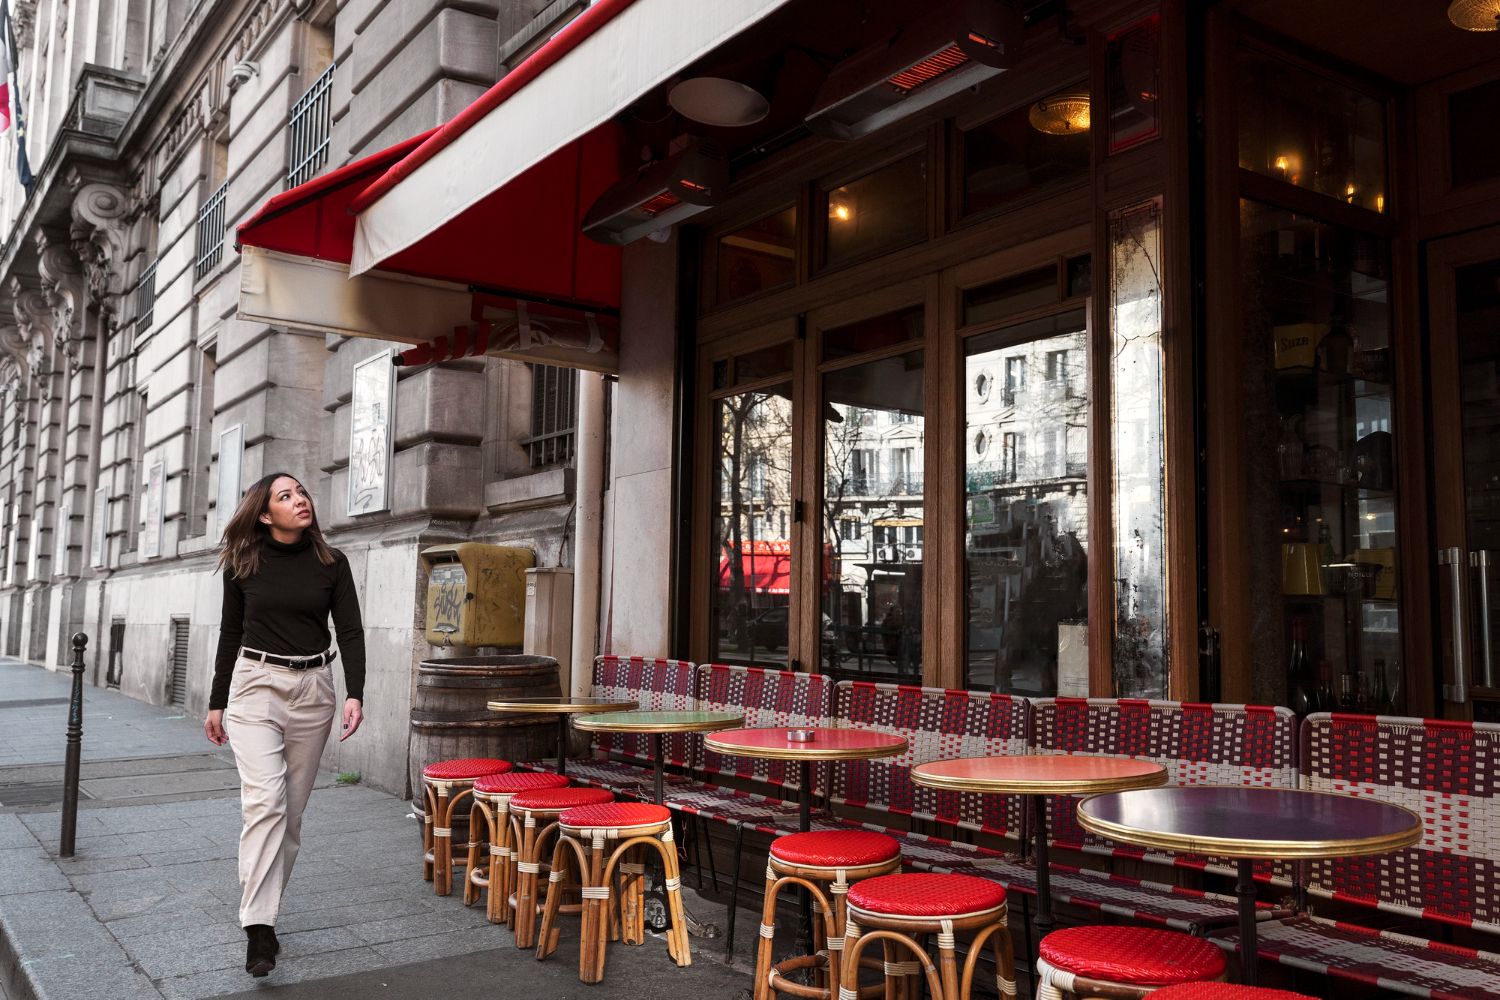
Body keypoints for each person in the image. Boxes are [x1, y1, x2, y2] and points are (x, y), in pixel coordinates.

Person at [202, 472, 366, 978]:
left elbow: (351, 629)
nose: (301, 500)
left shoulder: (331, 563)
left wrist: (356, 692)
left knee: (289, 816)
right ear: (265, 513)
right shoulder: (243, 563)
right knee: (264, 803)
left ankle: (264, 916)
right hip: (255, 686)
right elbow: (230, 633)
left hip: (314, 689)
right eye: (286, 495)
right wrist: (216, 702)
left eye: (302, 493)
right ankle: (259, 929)